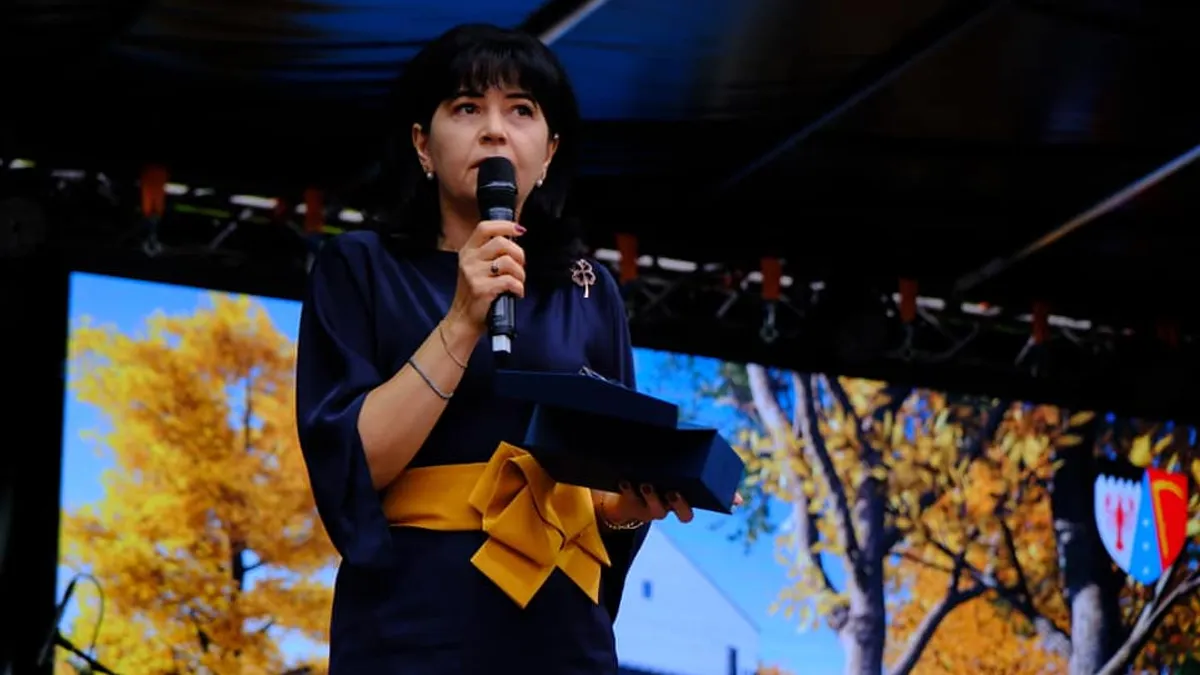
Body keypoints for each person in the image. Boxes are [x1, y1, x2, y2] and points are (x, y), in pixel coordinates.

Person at [295, 23, 703, 674]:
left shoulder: (588, 286)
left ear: (549, 152)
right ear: (422, 144)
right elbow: (351, 463)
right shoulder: (361, 266)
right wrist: (463, 319)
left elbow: (604, 474)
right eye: (467, 107)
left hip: (562, 630)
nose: (494, 131)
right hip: (414, 623)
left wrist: (626, 509)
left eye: (521, 110)